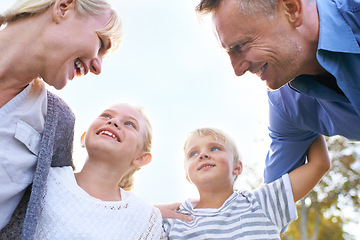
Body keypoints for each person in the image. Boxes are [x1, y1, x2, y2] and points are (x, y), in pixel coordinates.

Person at [195, 0, 360, 183]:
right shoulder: (286, 103)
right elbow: (274, 193)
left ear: (291, 9)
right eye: (229, 53)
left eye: (241, 46)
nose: (237, 70)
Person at [0, 0, 122, 238]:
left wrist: (147, 213)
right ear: (64, 7)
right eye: (100, 44)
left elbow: (68, 203)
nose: (98, 67)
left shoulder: (57, 122)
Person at [162, 128, 330, 239]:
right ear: (187, 175)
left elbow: (319, 164)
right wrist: (154, 211)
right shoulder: (172, 220)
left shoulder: (261, 202)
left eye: (214, 148)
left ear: (237, 167)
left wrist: (309, 116)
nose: (203, 155)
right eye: (193, 153)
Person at [33, 103, 164, 239]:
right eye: (106, 115)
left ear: (141, 158)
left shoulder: (145, 218)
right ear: (83, 138)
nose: (113, 121)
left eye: (130, 124)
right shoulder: (45, 178)